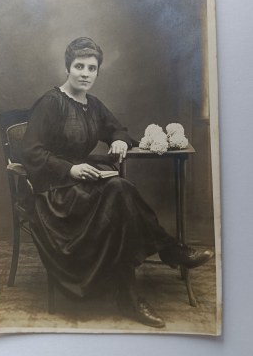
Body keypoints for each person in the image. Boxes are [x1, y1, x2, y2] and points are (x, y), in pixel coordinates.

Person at [21, 37, 213, 328]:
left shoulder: (93, 104)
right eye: (79, 66)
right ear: (67, 68)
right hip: (57, 196)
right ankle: (169, 252)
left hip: (85, 189)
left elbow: (117, 129)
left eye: (92, 68)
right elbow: (31, 153)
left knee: (119, 196)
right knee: (120, 192)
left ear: (98, 72)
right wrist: (70, 170)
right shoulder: (51, 103)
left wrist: (121, 142)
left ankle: (132, 295)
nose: (85, 73)